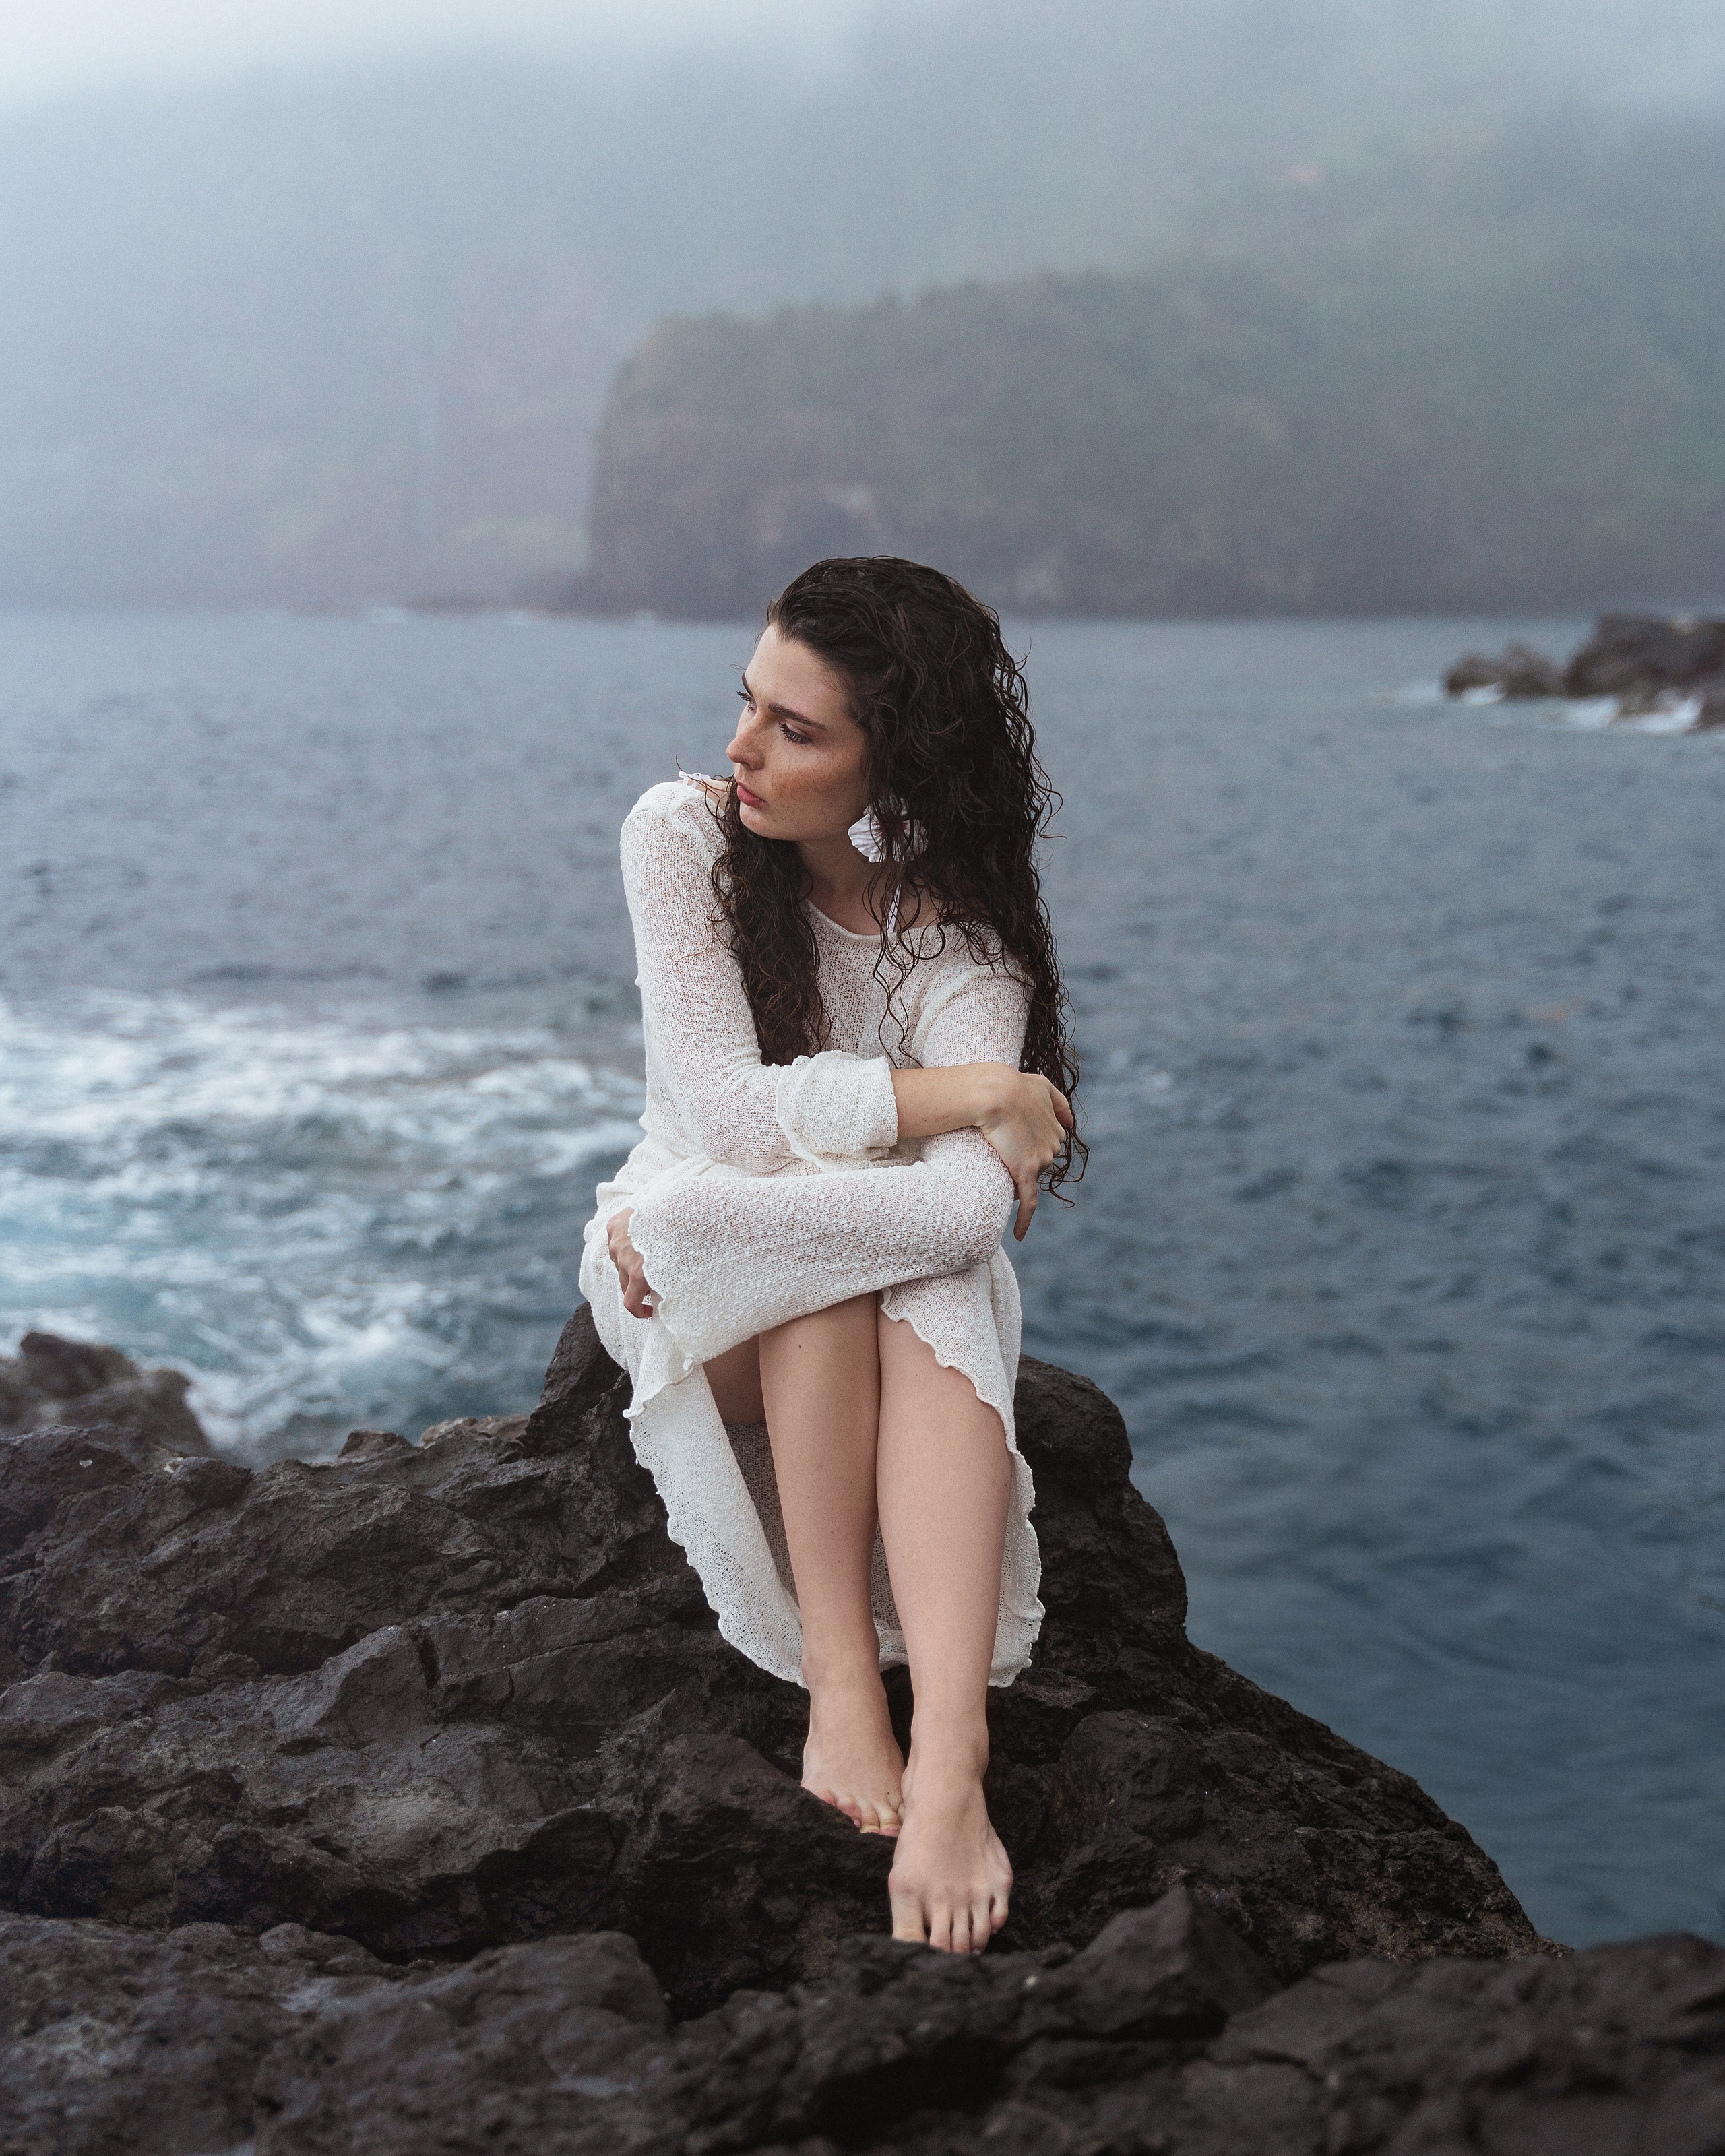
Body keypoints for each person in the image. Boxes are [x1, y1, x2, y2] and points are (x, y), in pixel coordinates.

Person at [579, 556, 1081, 1956]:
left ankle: (950, 1765)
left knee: (894, 1259)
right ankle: (842, 1681)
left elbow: (962, 1215)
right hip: (689, 1290)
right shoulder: (677, 836)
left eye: (795, 731)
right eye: (747, 704)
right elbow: (727, 1117)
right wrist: (967, 1096)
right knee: (838, 1251)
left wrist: (703, 1219)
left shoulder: (962, 950)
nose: (740, 749)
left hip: (701, 1236)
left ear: (896, 761)